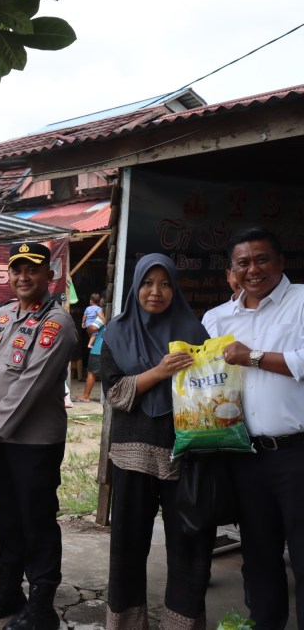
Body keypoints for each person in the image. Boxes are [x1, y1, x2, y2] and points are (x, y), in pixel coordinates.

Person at [0, 241, 79, 629]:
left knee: (37, 522)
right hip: (1, 443)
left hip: (34, 444)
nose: (24, 276)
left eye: (33, 269)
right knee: (6, 518)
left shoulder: (57, 323)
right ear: (9, 275)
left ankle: (42, 607)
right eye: (17, 269)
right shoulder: (2, 315)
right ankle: (9, 591)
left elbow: (33, 381)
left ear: (50, 275)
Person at [99, 254, 214, 627]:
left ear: (175, 288)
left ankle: (183, 623)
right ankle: (127, 622)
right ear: (136, 286)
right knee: (128, 546)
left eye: (165, 284)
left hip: (185, 454)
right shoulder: (116, 333)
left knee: (189, 545)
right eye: (148, 283)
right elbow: (115, 394)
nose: (156, 292)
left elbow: (211, 392)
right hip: (131, 454)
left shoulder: (195, 333)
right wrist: (160, 372)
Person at [203, 227, 304, 629]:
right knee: (260, 556)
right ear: (231, 271)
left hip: (297, 453)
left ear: (280, 262)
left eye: (262, 259)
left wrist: (254, 357)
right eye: (243, 263)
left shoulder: (302, 301)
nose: (253, 269)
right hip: (245, 456)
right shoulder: (216, 319)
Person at [75, 293, 106, 402]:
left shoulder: (100, 317)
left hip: (98, 348)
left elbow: (92, 328)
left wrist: (88, 329)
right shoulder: (111, 315)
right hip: (106, 348)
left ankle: (86, 396)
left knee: (91, 372)